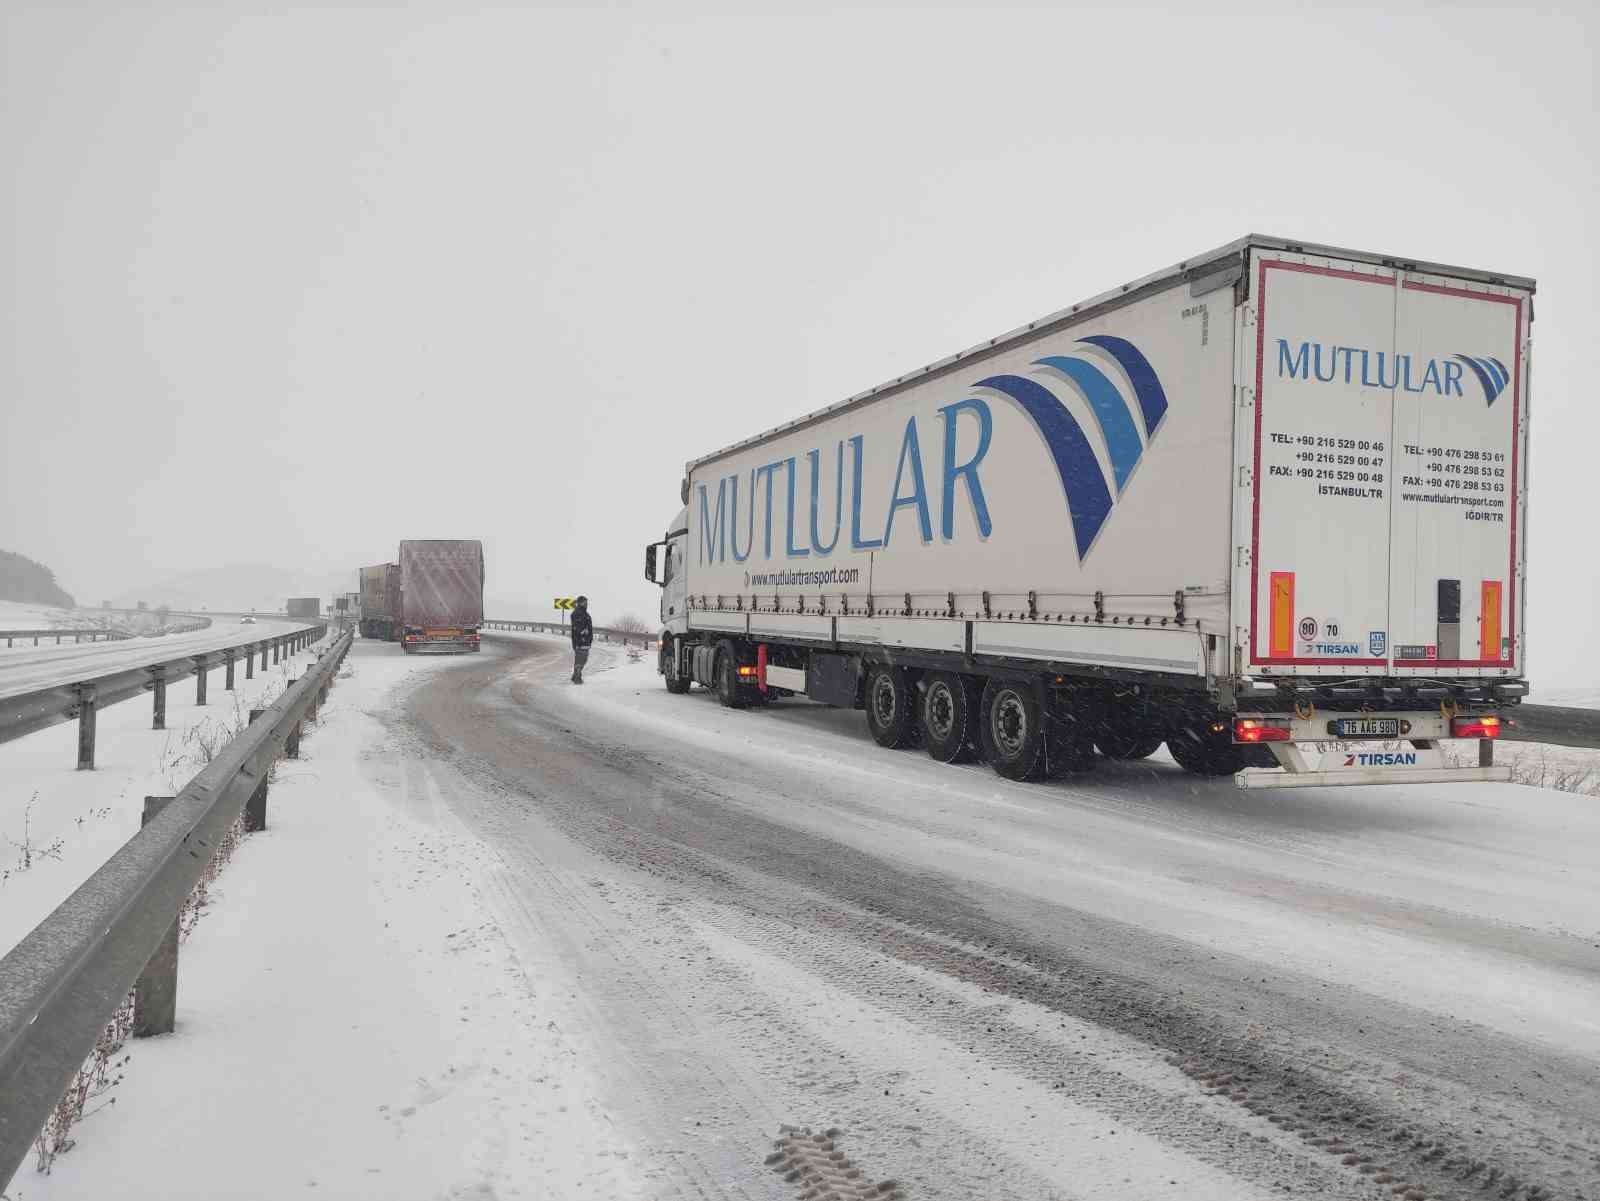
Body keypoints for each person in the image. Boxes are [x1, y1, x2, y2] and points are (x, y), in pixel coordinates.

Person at [569, 595, 593, 683]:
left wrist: (590, 638)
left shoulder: (586, 614)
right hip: (579, 640)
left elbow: (589, 627)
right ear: (579, 603)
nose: (586, 604)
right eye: (584, 602)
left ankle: (575, 675)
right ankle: (577, 678)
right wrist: (582, 632)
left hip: (586, 641)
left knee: (584, 659)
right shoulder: (576, 613)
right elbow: (576, 626)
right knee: (580, 658)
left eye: (587, 602)